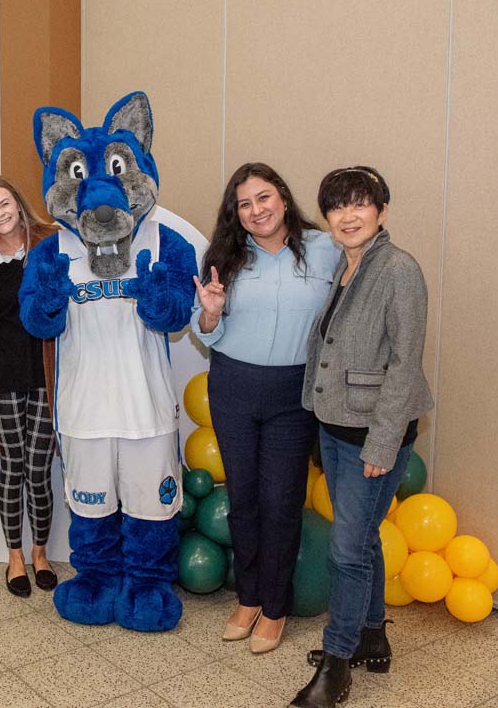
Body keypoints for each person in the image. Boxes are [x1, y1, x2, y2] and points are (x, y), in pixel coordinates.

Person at [290, 166, 433, 708]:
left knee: (347, 552)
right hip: (336, 427)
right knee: (365, 538)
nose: (348, 216)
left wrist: (381, 442)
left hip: (374, 434)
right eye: (336, 207)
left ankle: (336, 664)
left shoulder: (398, 270)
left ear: (382, 211)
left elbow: (403, 364)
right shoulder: (347, 267)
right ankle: (371, 633)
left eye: (360, 204)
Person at [190, 163, 341, 653]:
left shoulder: (326, 248)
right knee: (244, 497)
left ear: (283, 196)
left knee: (281, 503)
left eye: (264, 197)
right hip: (233, 383)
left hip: (293, 393)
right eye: (245, 204)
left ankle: (275, 607)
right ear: (237, 214)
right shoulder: (224, 256)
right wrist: (210, 313)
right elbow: (206, 330)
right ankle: (249, 597)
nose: (257, 210)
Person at [0, 176, 59, 597]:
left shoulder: (52, 243)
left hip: (44, 375)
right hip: (0, 379)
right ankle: (15, 558)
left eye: (3, 203)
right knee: (13, 468)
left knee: (39, 472)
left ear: (18, 203)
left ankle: (41, 553)